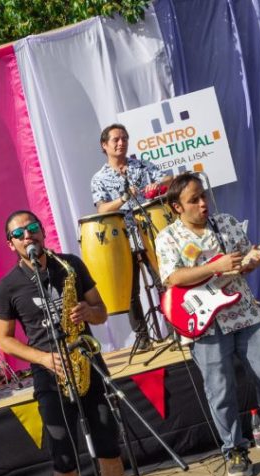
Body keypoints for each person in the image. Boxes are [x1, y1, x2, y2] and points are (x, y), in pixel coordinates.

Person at [0, 211, 141, 476]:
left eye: (32, 229)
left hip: (87, 361)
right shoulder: (9, 285)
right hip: (50, 374)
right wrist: (44, 357)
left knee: (108, 447)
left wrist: (88, 311)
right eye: (19, 234)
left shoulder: (69, 265)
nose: (28, 236)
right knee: (63, 458)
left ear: (42, 233)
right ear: (11, 244)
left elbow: (103, 312)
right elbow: (4, 341)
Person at [155, 173, 260, 476]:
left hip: (244, 314)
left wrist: (251, 262)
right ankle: (234, 449)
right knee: (220, 390)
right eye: (193, 200)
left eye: (203, 197)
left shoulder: (225, 223)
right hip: (203, 325)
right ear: (176, 207)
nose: (202, 204)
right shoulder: (167, 238)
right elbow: (173, 278)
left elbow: (246, 259)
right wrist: (215, 266)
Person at [90, 123, 171, 351]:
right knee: (131, 289)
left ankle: (176, 327)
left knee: (162, 280)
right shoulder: (99, 178)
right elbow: (102, 209)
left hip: (149, 230)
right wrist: (124, 197)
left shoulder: (141, 165)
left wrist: (159, 184)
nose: (121, 143)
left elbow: (168, 179)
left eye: (124, 138)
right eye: (115, 139)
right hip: (123, 236)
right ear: (104, 145)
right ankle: (143, 336)